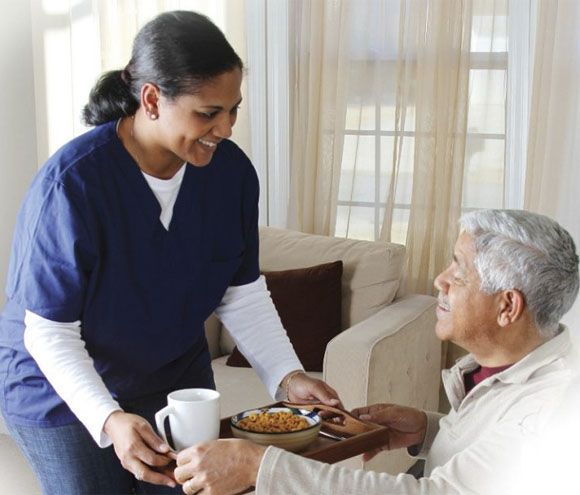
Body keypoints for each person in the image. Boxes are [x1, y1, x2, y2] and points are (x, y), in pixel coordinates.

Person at [0, 11, 339, 495]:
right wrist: (111, 418)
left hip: (170, 375)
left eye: (233, 110)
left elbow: (240, 293)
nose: (225, 128)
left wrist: (287, 376)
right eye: (208, 112)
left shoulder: (231, 175)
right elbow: (50, 331)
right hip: (57, 388)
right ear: (152, 99)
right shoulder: (73, 185)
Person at [173, 209, 580, 495]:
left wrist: (258, 466)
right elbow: (493, 464)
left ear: (507, 307)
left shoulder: (547, 412)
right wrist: (427, 428)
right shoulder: (509, 369)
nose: (439, 280)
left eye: (459, 273)